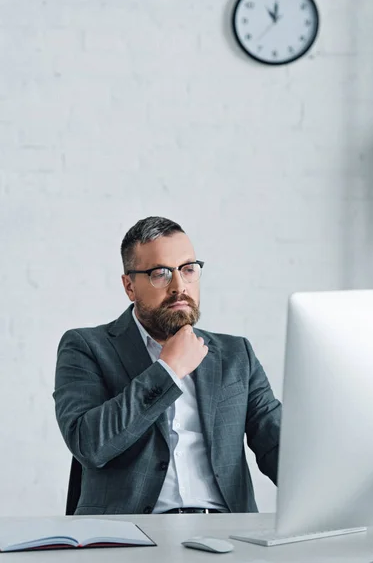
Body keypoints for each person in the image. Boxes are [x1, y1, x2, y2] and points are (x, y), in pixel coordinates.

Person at [53, 216, 281, 515]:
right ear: (129, 286)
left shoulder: (235, 354)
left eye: (188, 270)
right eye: (160, 273)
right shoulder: (86, 347)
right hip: (129, 537)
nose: (179, 286)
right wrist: (168, 371)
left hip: (226, 534)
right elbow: (90, 445)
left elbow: (276, 446)